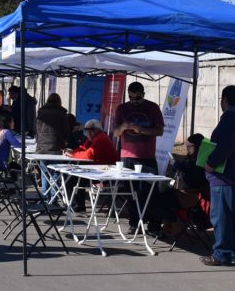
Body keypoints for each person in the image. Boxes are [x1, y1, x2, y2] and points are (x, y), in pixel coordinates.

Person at [200, 85, 235, 267]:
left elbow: (224, 147)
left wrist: (210, 164)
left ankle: (221, 254)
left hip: (225, 178)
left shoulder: (230, 119)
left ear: (224, 101)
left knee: (221, 217)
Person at [113, 81, 165, 235]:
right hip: (127, 156)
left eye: (137, 98)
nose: (134, 101)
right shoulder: (122, 108)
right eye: (131, 98)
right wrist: (123, 127)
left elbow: (159, 131)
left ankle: (154, 225)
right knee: (131, 192)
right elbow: (116, 132)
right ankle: (134, 222)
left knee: (151, 192)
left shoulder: (153, 107)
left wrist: (141, 129)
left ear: (143, 94)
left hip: (147, 156)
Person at [146, 133, 210, 237]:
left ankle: (171, 219)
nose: (187, 149)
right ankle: (155, 226)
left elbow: (194, 179)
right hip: (179, 192)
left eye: (190, 146)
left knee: (155, 201)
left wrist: (178, 166)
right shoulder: (191, 159)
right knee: (152, 196)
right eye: (187, 146)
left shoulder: (201, 162)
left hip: (187, 196)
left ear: (197, 146)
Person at [64, 119, 118, 212]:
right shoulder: (95, 138)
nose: (86, 133)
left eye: (87, 130)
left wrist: (73, 155)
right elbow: (83, 148)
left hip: (105, 172)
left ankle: (77, 205)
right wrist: (73, 152)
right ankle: (78, 205)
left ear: (94, 130)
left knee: (72, 179)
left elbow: (88, 155)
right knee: (74, 177)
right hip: (99, 168)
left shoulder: (100, 139)